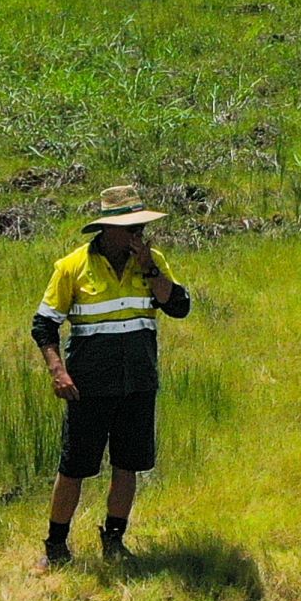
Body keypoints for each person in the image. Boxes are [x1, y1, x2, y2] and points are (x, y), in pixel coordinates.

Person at [32, 183, 192, 568]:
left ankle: (114, 540)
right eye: (131, 228)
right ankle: (55, 547)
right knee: (74, 468)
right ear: (108, 229)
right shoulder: (72, 267)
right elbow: (43, 325)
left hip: (138, 382)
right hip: (87, 387)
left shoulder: (153, 262)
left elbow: (179, 307)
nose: (138, 235)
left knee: (128, 464)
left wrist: (150, 268)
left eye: (141, 227)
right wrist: (58, 371)